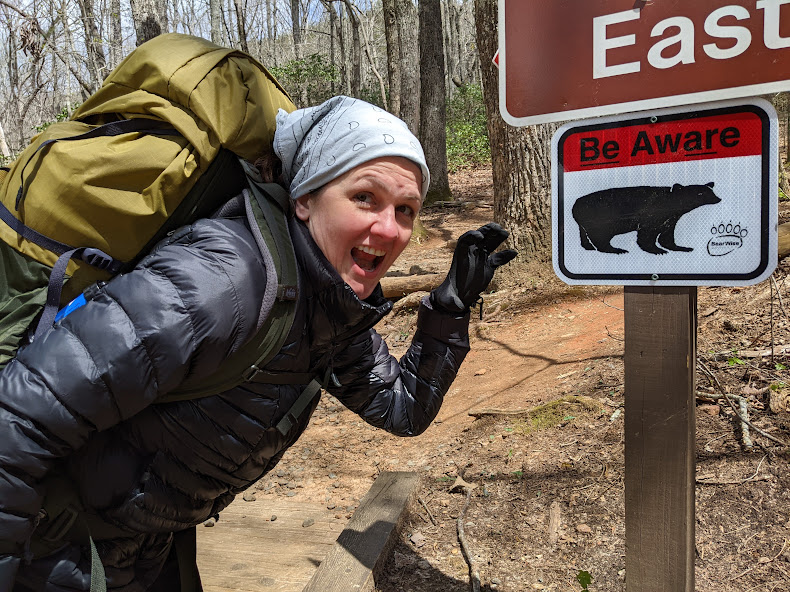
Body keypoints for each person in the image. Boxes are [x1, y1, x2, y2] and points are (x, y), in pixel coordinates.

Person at [0, 96, 516, 591]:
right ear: (305, 199)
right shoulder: (219, 283)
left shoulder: (328, 306)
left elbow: (401, 408)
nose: (389, 228)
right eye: (365, 197)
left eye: (406, 209)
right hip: (54, 548)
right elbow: (17, 418)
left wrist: (449, 308)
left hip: (145, 545)